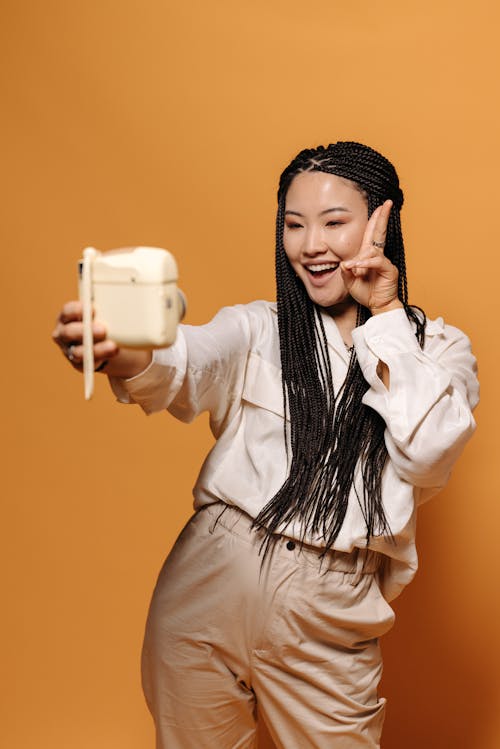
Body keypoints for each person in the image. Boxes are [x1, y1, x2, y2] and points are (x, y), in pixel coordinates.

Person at [52, 141, 479, 749]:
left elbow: (428, 449)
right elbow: (184, 362)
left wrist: (382, 310)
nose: (311, 245)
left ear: (381, 224)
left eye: (335, 222)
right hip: (211, 573)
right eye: (293, 224)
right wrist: (113, 348)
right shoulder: (259, 328)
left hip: (330, 600)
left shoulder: (436, 350)